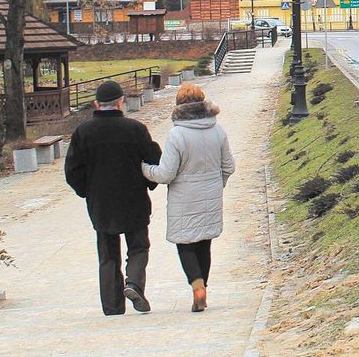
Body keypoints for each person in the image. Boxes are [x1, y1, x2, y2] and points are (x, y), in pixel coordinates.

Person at [65, 80, 162, 316]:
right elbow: (153, 160)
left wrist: (86, 190)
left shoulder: (83, 132)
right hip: (133, 198)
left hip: (101, 202)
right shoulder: (135, 129)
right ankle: (134, 284)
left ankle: (112, 306)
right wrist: (150, 183)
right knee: (138, 246)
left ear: (97, 103)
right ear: (121, 101)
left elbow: (72, 170)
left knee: (107, 254)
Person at [142, 84, 235, 313]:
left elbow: (165, 174)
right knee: (205, 243)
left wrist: (144, 168)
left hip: (184, 198)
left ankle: (197, 285)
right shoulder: (218, 130)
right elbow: (229, 166)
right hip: (211, 195)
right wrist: (217, 183)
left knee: (185, 243)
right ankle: (203, 288)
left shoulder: (177, 134)